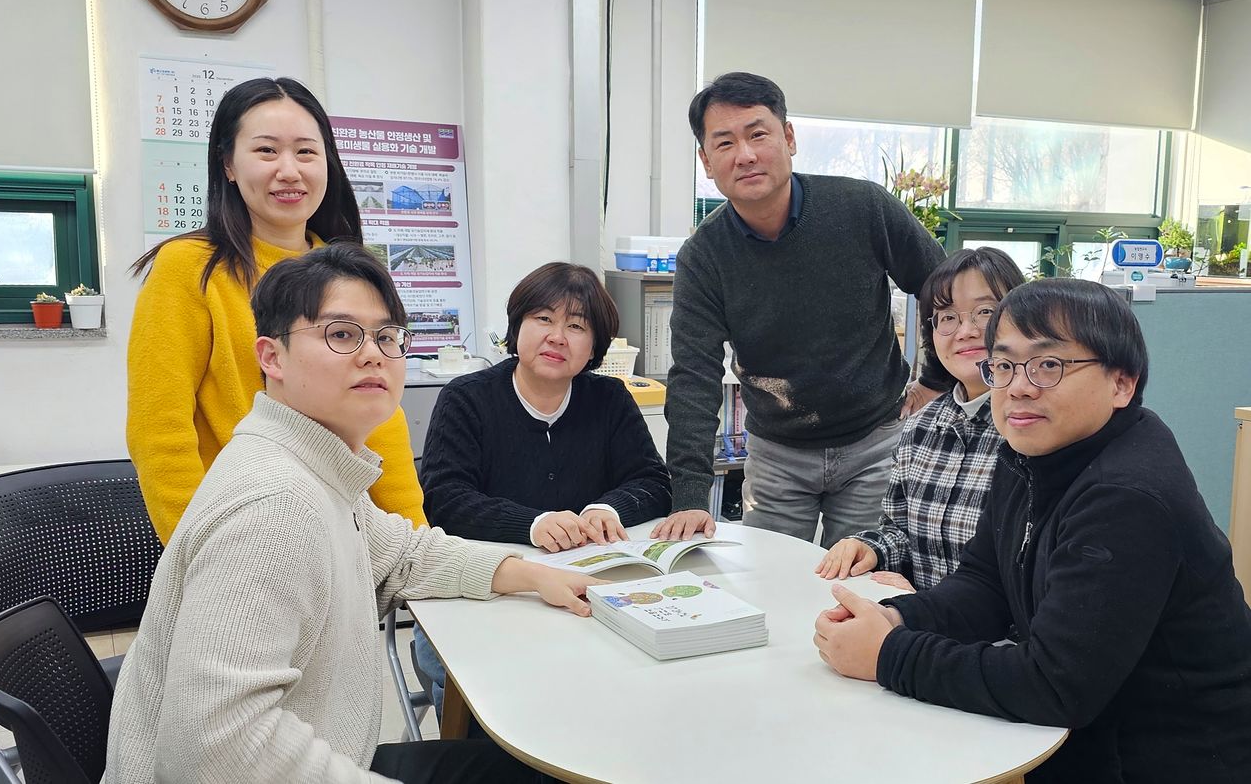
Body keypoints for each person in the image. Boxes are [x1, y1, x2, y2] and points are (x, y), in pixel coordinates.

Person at [106, 243, 590, 783]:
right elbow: (214, 749)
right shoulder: (275, 507)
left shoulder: (317, 462)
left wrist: (528, 574)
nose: (373, 355)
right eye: (341, 335)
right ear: (271, 357)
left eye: (386, 337)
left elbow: (403, 555)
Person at [813, 278, 1251, 783]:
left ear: (1121, 383)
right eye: (1003, 365)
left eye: (1049, 365)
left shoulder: (1127, 495)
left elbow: (1055, 685)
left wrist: (889, 655)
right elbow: (987, 583)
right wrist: (894, 620)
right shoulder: (1031, 450)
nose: (1018, 385)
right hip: (1082, 745)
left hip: (1169, 759)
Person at [654, 71, 948, 545]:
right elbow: (694, 374)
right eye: (725, 143)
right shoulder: (705, 255)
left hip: (874, 442)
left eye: (758, 134)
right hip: (776, 455)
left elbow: (943, 289)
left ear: (788, 138)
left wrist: (937, 380)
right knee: (768, 583)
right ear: (707, 162)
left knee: (859, 586)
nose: (745, 155)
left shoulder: (862, 208)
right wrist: (689, 494)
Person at [127, 77, 425, 544]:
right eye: (266, 151)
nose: (289, 170)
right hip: (243, 532)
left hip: (347, 536)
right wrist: (197, 548)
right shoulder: (190, 267)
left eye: (307, 152)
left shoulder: (347, 268)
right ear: (227, 163)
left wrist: (416, 542)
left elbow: (381, 417)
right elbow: (159, 428)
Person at [418, 261, 672, 711]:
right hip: (486, 594)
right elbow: (445, 501)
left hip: (583, 596)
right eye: (543, 319)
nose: (557, 336)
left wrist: (607, 510)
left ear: (594, 347)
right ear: (517, 328)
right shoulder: (466, 399)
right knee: (492, 705)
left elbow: (651, 480)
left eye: (576, 326)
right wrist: (533, 524)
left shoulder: (609, 399)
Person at [816, 247, 1024, 591]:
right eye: (947, 317)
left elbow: (1027, 570)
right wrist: (871, 548)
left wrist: (930, 605)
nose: (965, 331)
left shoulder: (1033, 429)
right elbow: (900, 531)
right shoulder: (920, 427)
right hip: (918, 626)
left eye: (986, 312)